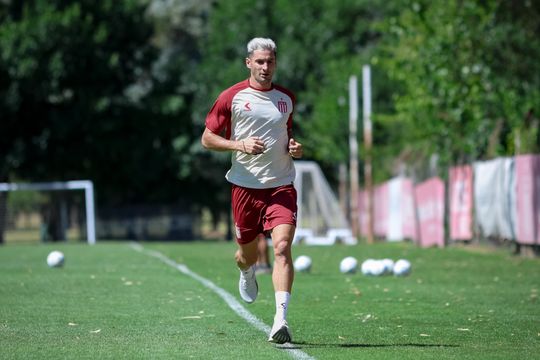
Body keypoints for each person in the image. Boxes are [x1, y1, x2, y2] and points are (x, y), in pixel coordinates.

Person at [201, 37, 303, 344]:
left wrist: (295, 148)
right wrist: (238, 144)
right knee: (246, 255)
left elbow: (287, 136)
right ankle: (246, 272)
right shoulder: (231, 96)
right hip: (245, 188)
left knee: (282, 248)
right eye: (260, 61)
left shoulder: (286, 98)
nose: (265, 67)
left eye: (270, 61)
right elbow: (207, 138)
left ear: (276, 63)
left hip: (281, 186)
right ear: (249, 63)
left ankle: (280, 321)